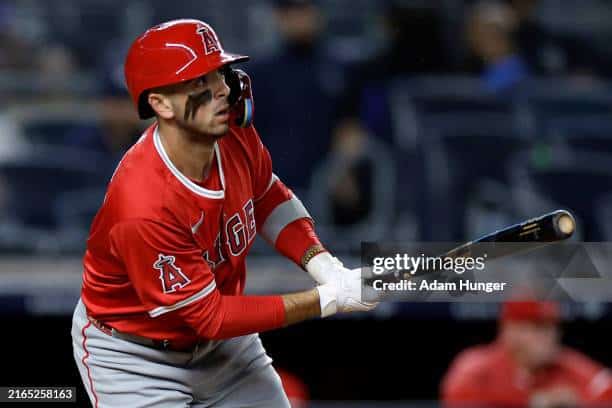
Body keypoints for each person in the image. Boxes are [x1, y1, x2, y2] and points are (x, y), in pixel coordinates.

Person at [71, 19, 377, 407]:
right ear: (160, 103)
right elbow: (209, 316)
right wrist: (329, 299)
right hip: (134, 356)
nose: (220, 90)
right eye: (199, 82)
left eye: (219, 73)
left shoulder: (230, 127)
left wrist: (325, 266)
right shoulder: (143, 202)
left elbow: (266, 195)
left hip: (222, 349)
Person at [441, 300, 612, 407]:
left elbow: (606, 389)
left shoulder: (567, 364)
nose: (549, 336)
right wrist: (527, 402)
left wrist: (579, 403)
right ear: (509, 330)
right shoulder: (478, 366)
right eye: (538, 328)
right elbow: (457, 397)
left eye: (552, 327)